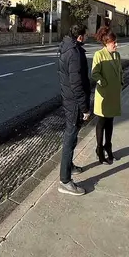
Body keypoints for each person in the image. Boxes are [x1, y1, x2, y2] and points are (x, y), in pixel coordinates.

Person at [57, 24, 91, 196]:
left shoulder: (68, 47)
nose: (86, 37)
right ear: (79, 37)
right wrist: (84, 107)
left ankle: (69, 166)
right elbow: (76, 84)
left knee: (73, 135)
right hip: (74, 103)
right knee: (70, 138)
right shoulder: (74, 54)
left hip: (69, 99)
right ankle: (65, 180)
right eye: (85, 35)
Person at [92, 26, 122, 165]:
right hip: (103, 94)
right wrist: (102, 81)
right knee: (101, 122)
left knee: (110, 122)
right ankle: (99, 149)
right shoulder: (99, 54)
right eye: (113, 43)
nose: (116, 45)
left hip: (114, 94)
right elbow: (94, 73)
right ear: (106, 43)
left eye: (116, 42)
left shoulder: (117, 55)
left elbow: (120, 71)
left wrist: (121, 81)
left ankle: (108, 146)